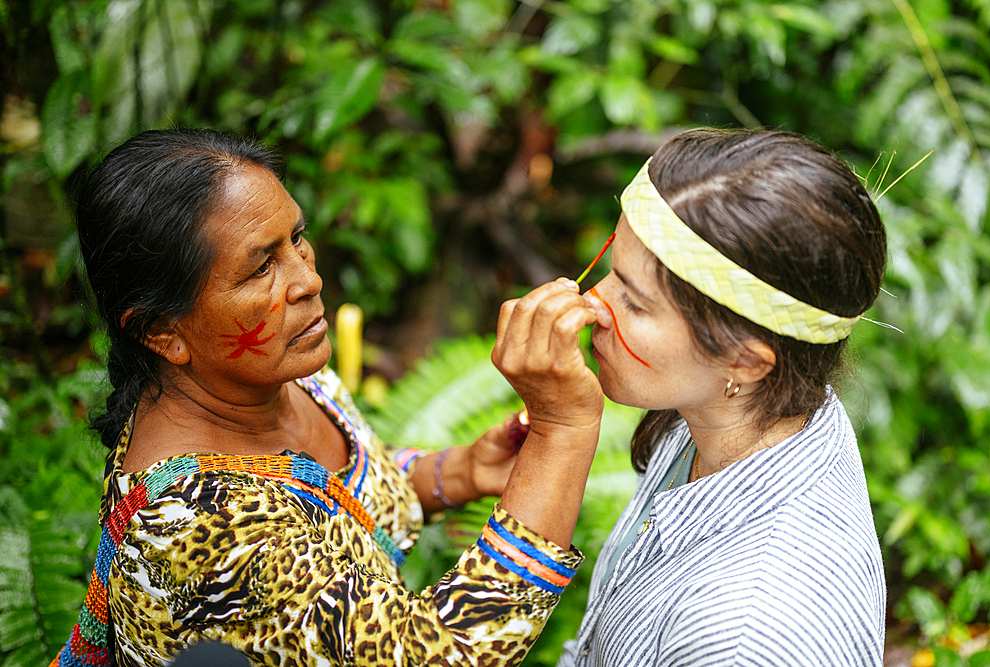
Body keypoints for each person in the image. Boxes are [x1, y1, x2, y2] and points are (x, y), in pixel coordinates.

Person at [54, 128, 604, 667]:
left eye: (296, 237)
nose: (307, 279)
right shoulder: (200, 526)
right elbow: (439, 653)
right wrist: (562, 428)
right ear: (161, 332)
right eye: (260, 266)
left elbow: (339, 496)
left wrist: (459, 472)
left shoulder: (277, 376)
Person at [557, 128, 888, 666]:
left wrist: (559, 435)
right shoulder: (725, 414)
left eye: (635, 304)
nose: (591, 302)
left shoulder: (745, 635)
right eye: (612, 274)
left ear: (746, 360)